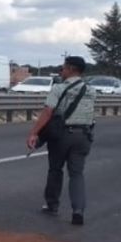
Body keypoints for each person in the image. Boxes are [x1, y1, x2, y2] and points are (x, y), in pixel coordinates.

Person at [26, 56, 96, 226]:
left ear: (71, 69)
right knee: (77, 173)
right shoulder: (90, 90)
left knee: (55, 169)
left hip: (62, 136)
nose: (61, 71)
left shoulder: (59, 88)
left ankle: (52, 205)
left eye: (63, 68)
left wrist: (34, 132)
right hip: (84, 136)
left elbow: (48, 112)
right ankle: (78, 210)